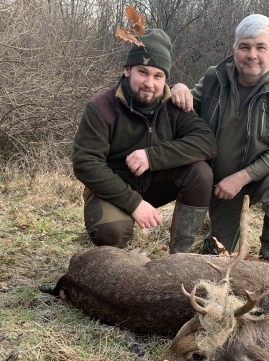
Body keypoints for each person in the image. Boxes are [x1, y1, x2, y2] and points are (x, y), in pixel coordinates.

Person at [170, 14, 269, 264]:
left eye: (261, 47)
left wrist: (241, 178)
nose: (252, 55)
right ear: (234, 50)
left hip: (263, 180)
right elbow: (186, 107)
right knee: (221, 255)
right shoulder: (214, 77)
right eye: (245, 47)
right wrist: (178, 88)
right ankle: (217, 239)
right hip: (222, 188)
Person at [73, 29, 217, 253]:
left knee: (201, 173)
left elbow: (206, 142)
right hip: (113, 188)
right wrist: (134, 204)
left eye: (158, 76)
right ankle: (114, 259)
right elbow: (85, 163)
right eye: (143, 72)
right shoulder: (101, 106)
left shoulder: (174, 105)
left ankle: (180, 256)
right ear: (127, 70)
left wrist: (152, 157)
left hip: (156, 184)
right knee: (111, 231)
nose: (149, 83)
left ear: (166, 79)